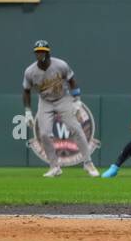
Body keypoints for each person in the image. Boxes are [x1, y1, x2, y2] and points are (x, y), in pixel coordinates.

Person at [21, 40, 98, 177]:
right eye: (37, 52)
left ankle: (88, 163)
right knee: (44, 133)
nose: (40, 54)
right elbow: (26, 91)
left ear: (48, 52)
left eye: (42, 51)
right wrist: (27, 111)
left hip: (63, 98)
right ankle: (54, 166)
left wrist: (77, 101)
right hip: (45, 101)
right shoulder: (30, 71)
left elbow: (72, 81)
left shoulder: (60, 65)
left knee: (76, 128)